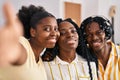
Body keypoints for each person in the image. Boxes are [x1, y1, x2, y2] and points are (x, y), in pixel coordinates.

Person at [0, 2, 59, 80]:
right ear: (33, 32)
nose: (54, 33)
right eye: (47, 29)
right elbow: (16, 50)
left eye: (56, 29)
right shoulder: (24, 45)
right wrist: (8, 47)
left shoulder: (39, 60)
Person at [80, 16, 120, 80]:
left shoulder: (118, 53)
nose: (94, 38)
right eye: (89, 35)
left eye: (99, 32)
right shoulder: (83, 58)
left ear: (107, 33)